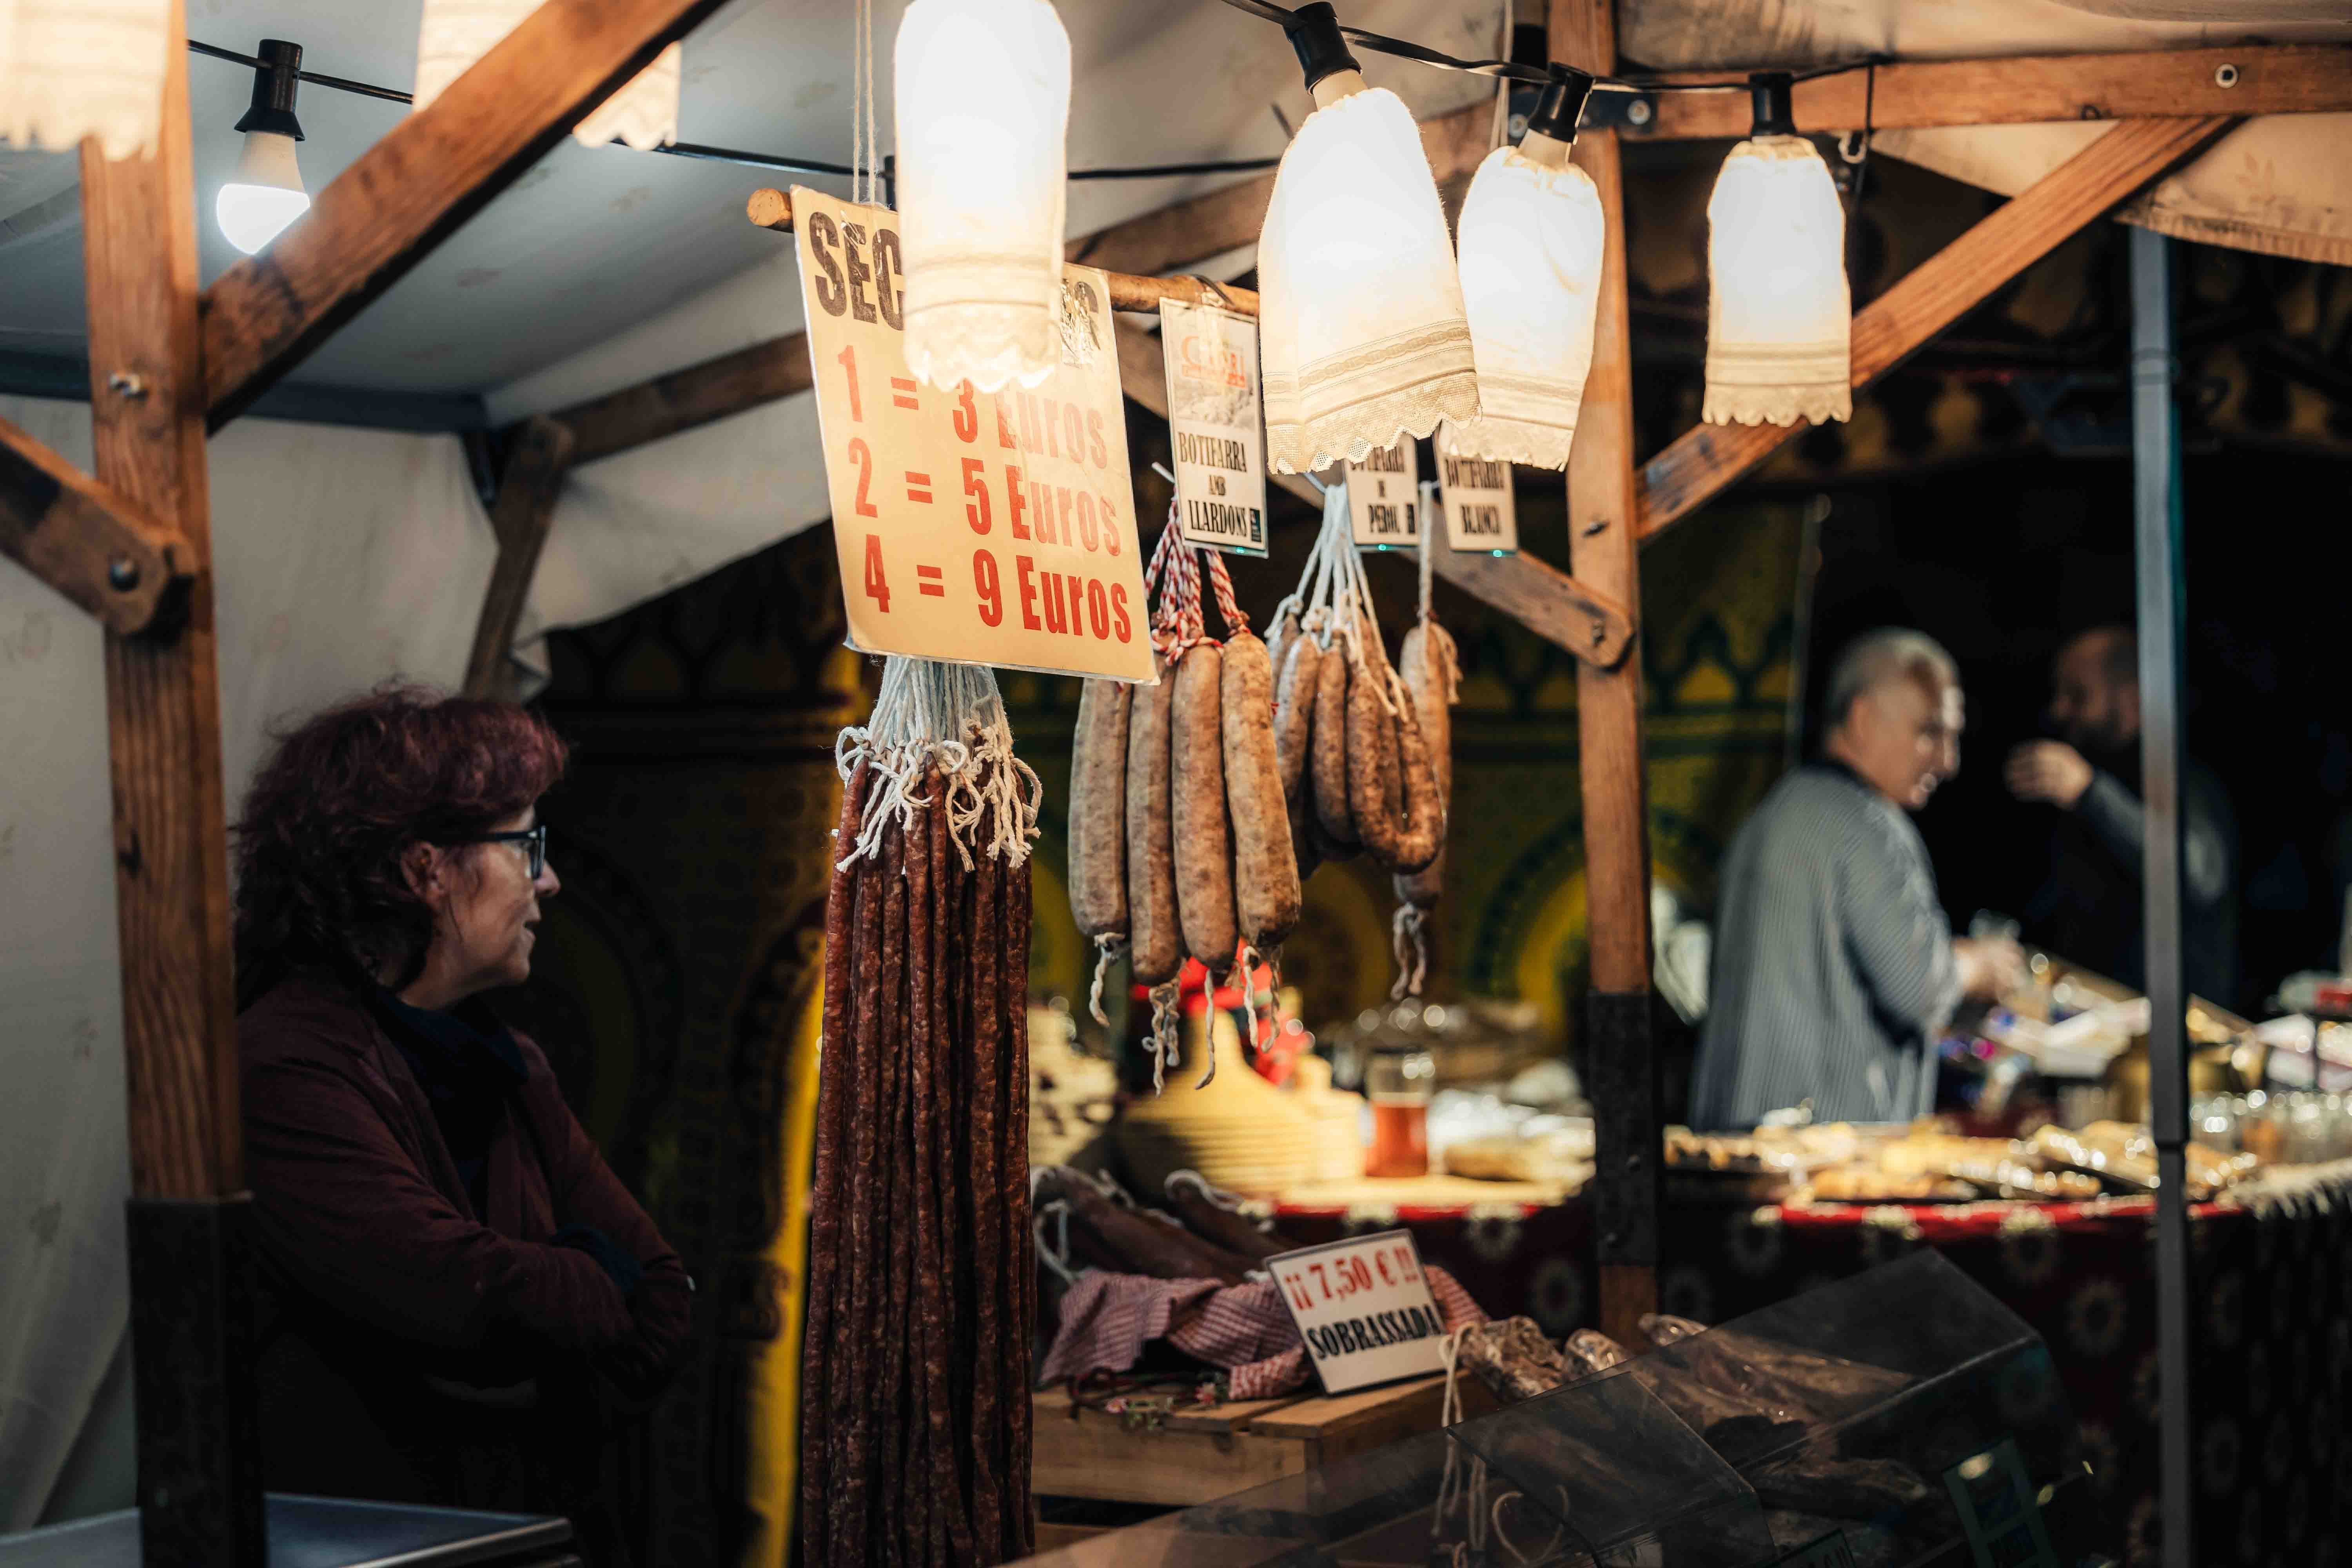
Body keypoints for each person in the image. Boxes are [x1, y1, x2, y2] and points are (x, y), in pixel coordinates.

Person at [232, 688, 689, 1564]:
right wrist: (595, 1284)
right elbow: (455, 1297)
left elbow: (665, 1304)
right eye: (527, 846)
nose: (548, 878)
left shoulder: (512, 1064)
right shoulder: (286, 1064)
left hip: (523, 1541)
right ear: (425, 870)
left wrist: (540, 1317)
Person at [1690, 630, 2026, 1129]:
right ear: (1864, 719)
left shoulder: (1776, 810)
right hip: (1819, 1153)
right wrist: (1978, 965)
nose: (1947, 762)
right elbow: (1919, 986)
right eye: (1930, 732)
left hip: (1737, 1135)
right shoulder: (1865, 825)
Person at [2005, 625, 2237, 1003]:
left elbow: (2197, 874)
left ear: (2132, 700)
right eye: (2060, 694)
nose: (2060, 709)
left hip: (2168, 1023)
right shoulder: (2094, 765)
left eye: (2078, 695)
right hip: (2087, 1004)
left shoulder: (2180, 775)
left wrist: (2089, 791)